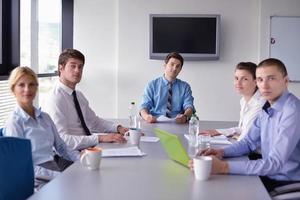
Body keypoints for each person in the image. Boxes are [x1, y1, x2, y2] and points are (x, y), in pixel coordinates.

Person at [189, 58, 300, 192]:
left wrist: (223, 167)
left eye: (271, 79)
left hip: (285, 180)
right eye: (260, 79)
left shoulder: (292, 111)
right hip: (267, 173)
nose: (264, 85)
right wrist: (221, 152)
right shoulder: (267, 107)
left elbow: (275, 163)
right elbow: (248, 142)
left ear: (286, 81)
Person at [3, 66, 80, 182]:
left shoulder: (45, 117)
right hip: (34, 179)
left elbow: (61, 147)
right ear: (13, 89)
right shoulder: (14, 123)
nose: (27, 89)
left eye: (31, 84)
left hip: (54, 170)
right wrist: (58, 176)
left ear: (36, 88)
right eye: (21, 85)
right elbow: (21, 166)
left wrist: (82, 159)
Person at [43, 49, 127, 151]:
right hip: (69, 156)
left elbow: (94, 122)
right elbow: (62, 140)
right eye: (73, 66)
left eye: (80, 67)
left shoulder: (78, 95)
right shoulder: (55, 98)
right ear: (61, 68)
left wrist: (118, 128)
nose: (77, 70)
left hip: (87, 149)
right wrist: (99, 138)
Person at [201, 62, 265, 141]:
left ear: (256, 82)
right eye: (236, 78)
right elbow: (243, 128)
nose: (238, 83)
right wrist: (218, 131)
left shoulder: (260, 104)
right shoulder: (243, 100)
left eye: (244, 79)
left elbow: (245, 139)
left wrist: (240, 137)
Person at [140, 52, 195, 124]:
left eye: (178, 66)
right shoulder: (152, 85)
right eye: (172, 64)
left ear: (180, 70)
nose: (174, 68)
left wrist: (185, 116)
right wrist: (147, 117)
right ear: (165, 65)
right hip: (155, 122)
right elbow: (144, 107)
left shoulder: (185, 87)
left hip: (178, 123)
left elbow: (189, 107)